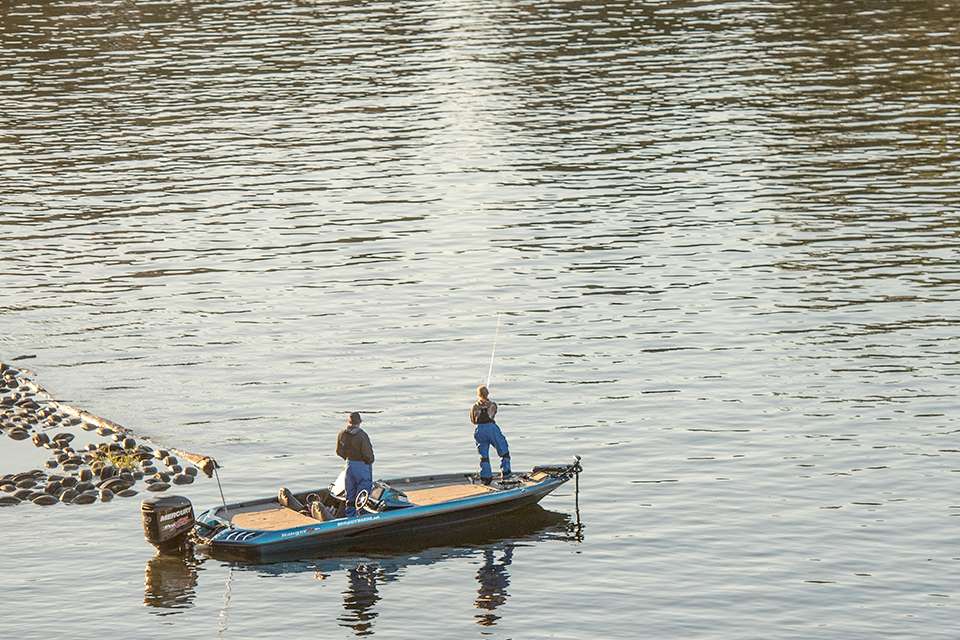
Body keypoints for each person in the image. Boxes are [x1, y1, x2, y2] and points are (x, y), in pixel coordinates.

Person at [469, 385, 510, 484]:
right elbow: (493, 414)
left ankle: (486, 477)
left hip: (480, 430)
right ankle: (506, 473)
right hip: (491, 429)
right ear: (487, 393)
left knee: (484, 455)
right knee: (504, 451)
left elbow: (473, 421)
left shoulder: (474, 407)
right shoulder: (492, 405)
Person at [336, 411, 375, 517]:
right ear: (359, 422)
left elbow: (339, 451)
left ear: (348, 422)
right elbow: (368, 454)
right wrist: (369, 462)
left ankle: (350, 515)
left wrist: (347, 458)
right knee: (363, 490)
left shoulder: (341, 434)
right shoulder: (362, 435)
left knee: (350, 491)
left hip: (349, 465)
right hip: (362, 465)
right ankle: (362, 515)